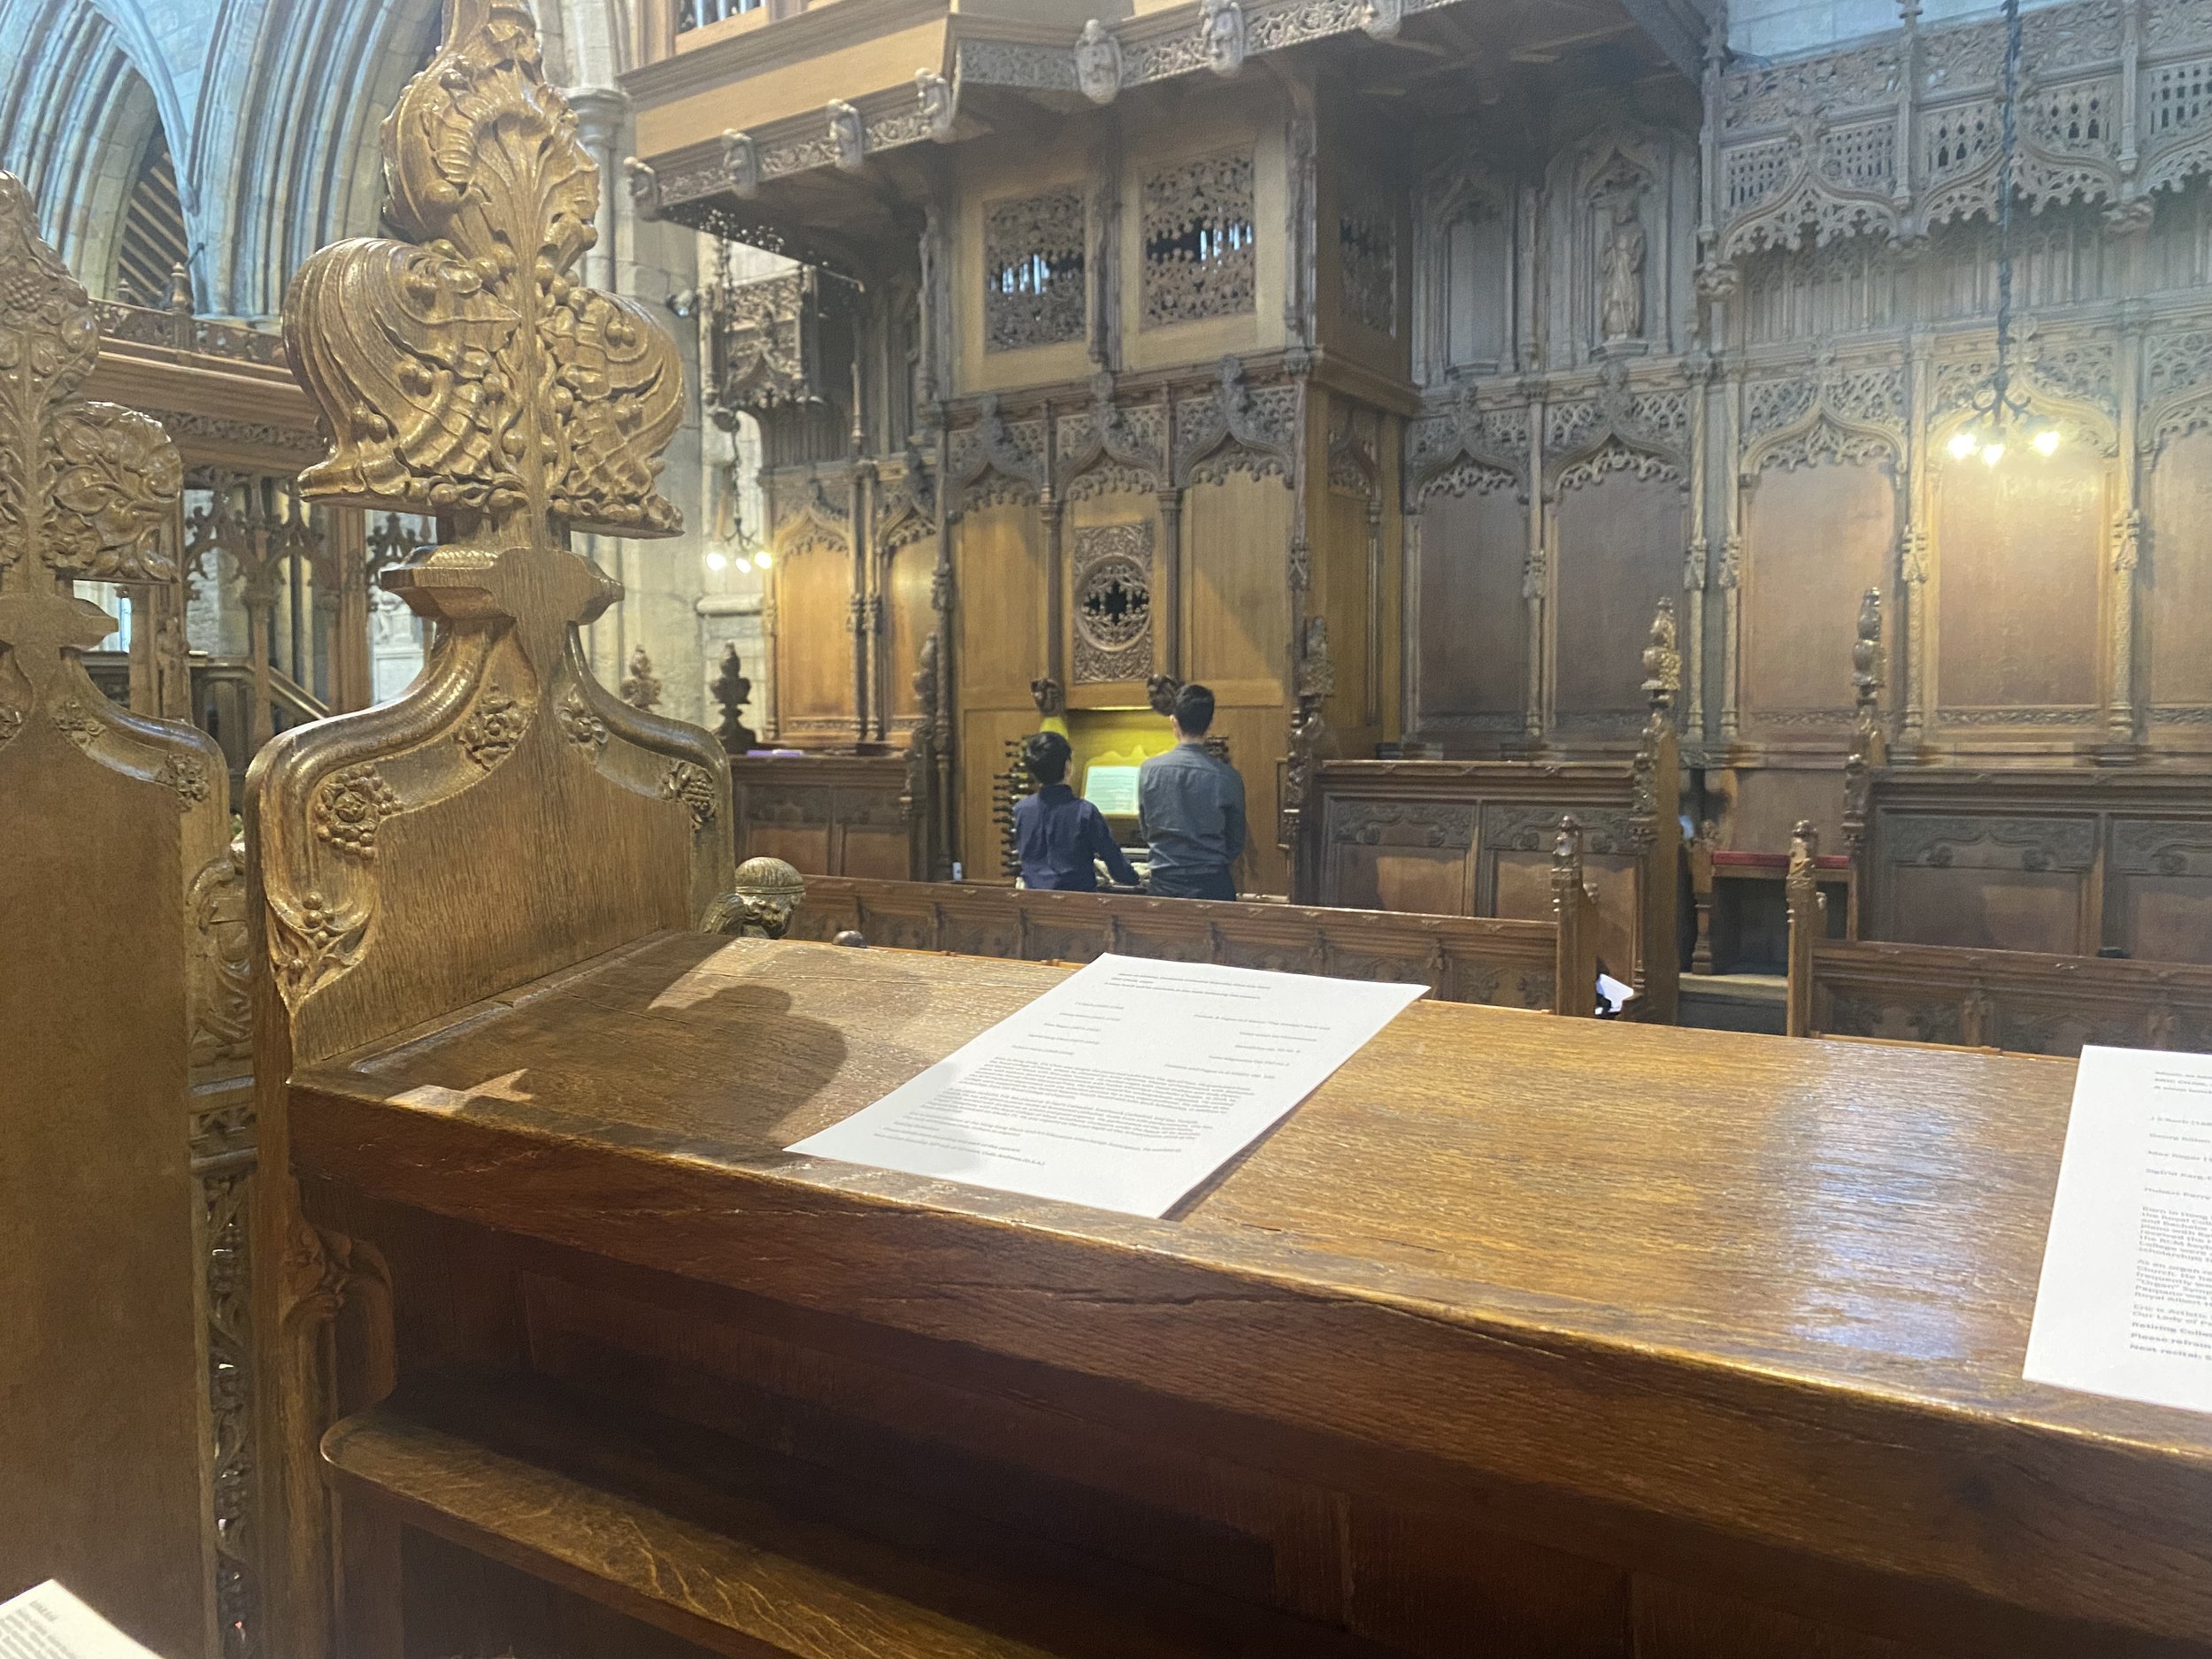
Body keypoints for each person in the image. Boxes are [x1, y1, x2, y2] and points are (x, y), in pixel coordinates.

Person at [1138, 683, 1246, 902]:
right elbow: (1235, 841)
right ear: (1210, 725)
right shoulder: (1228, 777)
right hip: (1213, 886)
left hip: (1163, 886)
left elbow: (1145, 829)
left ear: (1174, 722)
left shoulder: (1148, 770)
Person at [1012, 731, 1139, 892]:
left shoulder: (1021, 810)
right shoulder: (1085, 812)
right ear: (1067, 767)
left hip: (1034, 903)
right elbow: (1118, 870)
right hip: (1077, 905)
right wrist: (1137, 877)